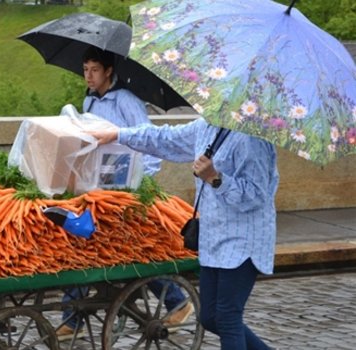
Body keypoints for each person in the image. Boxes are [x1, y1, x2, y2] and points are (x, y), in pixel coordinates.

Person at [88, 118, 278, 349]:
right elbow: (167, 138)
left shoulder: (252, 138)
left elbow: (257, 195)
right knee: (209, 316)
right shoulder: (208, 126)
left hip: (243, 239)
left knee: (228, 317)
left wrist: (215, 178)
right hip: (213, 236)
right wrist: (119, 134)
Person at [57, 47, 193, 339]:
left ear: (108, 71)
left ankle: (176, 300)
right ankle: (73, 314)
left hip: (127, 188)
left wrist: (140, 185)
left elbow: (150, 141)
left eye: (94, 70)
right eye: (85, 70)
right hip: (99, 186)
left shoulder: (127, 101)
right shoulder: (89, 102)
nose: (88, 76)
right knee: (89, 244)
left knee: (125, 250)